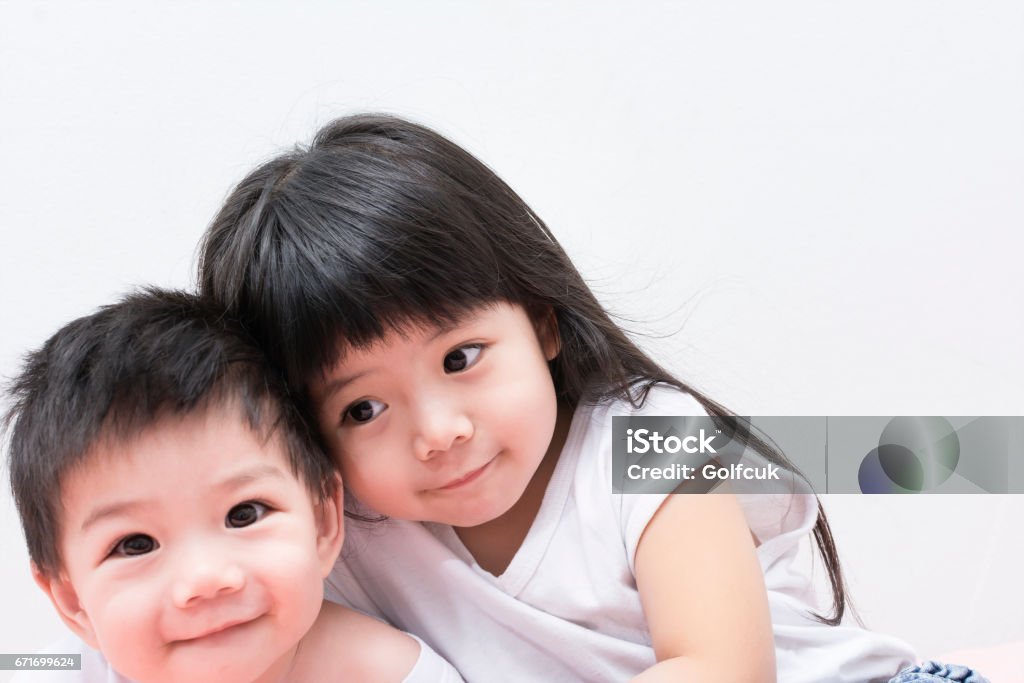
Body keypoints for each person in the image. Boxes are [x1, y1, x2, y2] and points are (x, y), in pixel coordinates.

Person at [193, 114, 992, 682]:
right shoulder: (351, 535)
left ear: (541, 323)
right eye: (362, 409)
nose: (438, 431)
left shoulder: (648, 444)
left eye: (462, 356)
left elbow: (719, 667)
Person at [4, 289, 463, 683]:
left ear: (323, 522)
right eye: (135, 544)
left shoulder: (388, 673)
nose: (205, 579)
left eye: (244, 514)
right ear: (72, 601)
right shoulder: (69, 666)